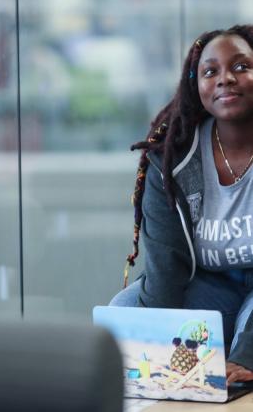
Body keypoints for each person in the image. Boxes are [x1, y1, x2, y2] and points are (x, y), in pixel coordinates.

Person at [110, 24, 253, 385]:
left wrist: (247, 352)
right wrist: (150, 347)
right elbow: (165, 264)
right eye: (211, 71)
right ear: (196, 86)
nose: (225, 79)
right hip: (210, 284)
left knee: (243, 355)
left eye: (241, 66)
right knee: (124, 313)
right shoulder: (171, 159)